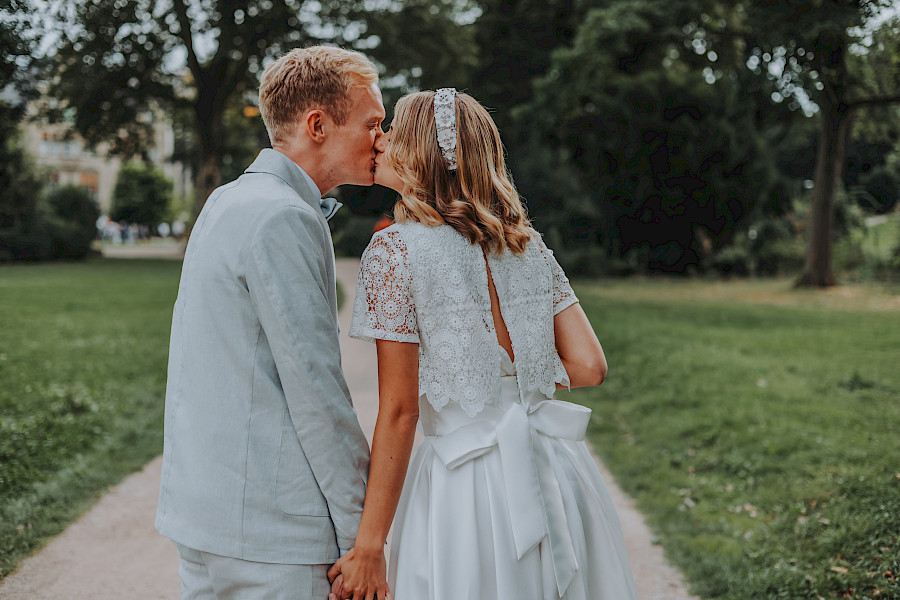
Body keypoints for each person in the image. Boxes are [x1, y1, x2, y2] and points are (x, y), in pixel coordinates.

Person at [333, 89, 639, 599]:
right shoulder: (527, 245)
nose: (379, 140)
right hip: (553, 471)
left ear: (420, 154)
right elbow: (589, 365)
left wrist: (369, 547)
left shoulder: (395, 251)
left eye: (392, 132)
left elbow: (401, 412)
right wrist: (517, 384)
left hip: (464, 484)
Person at [156, 46, 392, 600]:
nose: (381, 140)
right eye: (372, 123)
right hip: (272, 535)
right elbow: (316, 391)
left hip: (204, 518)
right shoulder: (284, 216)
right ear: (318, 125)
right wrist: (361, 538)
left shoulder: (227, 200)